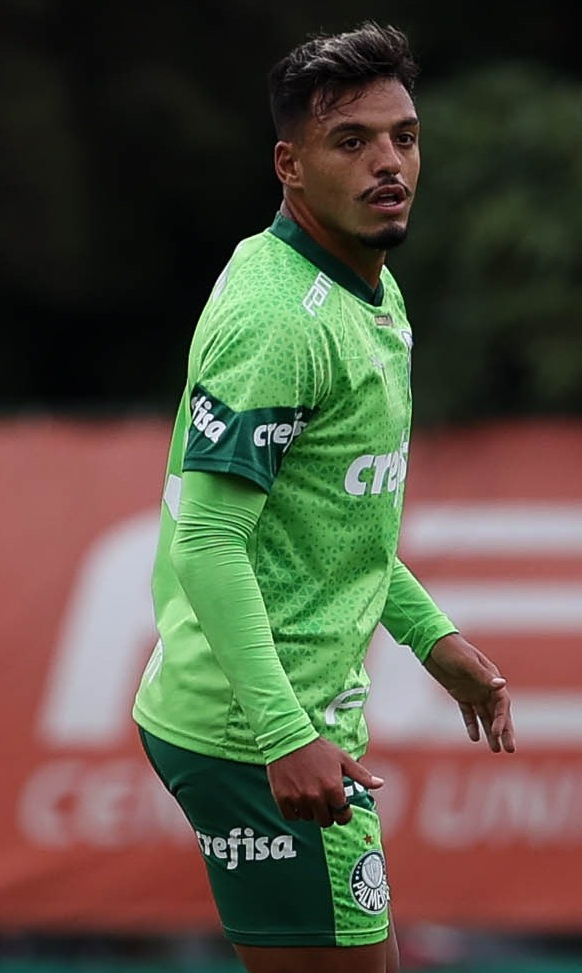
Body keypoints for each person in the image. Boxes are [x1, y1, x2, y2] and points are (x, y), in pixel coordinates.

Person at [131, 22, 514, 973]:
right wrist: (282, 732)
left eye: (405, 137)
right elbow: (208, 539)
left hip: (297, 721)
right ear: (290, 165)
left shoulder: (367, 290)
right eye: (353, 142)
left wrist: (434, 638)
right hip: (251, 728)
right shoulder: (278, 321)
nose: (389, 163)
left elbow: (343, 522)